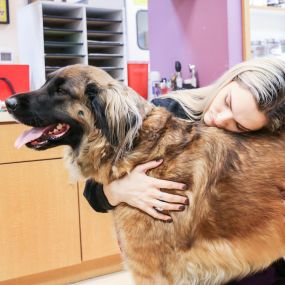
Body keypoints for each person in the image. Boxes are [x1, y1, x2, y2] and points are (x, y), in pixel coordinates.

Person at [84, 57, 285, 285]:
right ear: (231, 79)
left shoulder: (258, 148)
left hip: (232, 260)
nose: (219, 119)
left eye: (239, 126)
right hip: (168, 261)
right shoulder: (163, 113)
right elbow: (92, 194)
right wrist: (118, 190)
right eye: (227, 102)